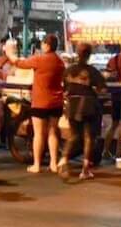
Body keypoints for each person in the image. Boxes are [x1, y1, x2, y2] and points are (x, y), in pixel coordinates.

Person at [6, 34, 65, 173]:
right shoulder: (60, 62)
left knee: (39, 133)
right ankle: (53, 163)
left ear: (47, 45)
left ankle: (37, 165)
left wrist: (9, 53)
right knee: (53, 132)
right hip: (56, 101)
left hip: (40, 101)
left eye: (43, 44)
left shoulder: (40, 59)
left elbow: (20, 63)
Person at [60, 43, 107, 180]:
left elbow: (64, 88)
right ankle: (85, 170)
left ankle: (63, 159)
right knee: (88, 137)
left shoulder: (68, 71)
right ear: (89, 55)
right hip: (88, 106)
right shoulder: (92, 71)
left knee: (74, 135)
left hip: (72, 106)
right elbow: (102, 89)